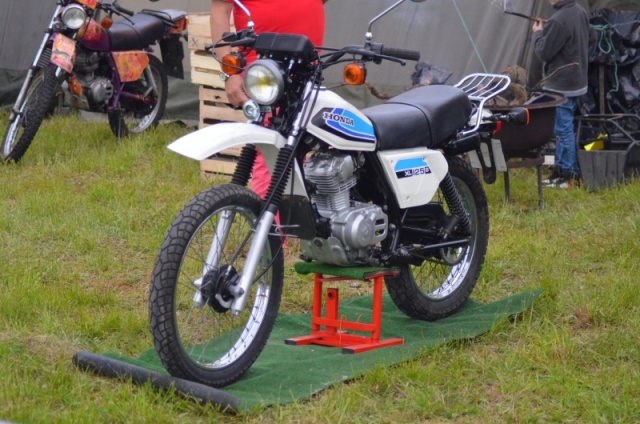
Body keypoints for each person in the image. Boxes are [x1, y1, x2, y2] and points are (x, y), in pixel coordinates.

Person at [210, 0, 327, 200]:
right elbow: (220, 9)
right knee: (270, 151)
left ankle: (293, 218)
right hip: (265, 68)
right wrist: (230, 74)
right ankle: (269, 227)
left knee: (298, 145)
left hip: (307, 63)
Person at [532, 0, 594, 189]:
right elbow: (593, 37)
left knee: (563, 129)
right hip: (577, 82)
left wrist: (538, 34)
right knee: (562, 128)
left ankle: (570, 176)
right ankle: (559, 172)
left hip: (562, 86)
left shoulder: (559, 20)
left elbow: (543, 51)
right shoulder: (579, 11)